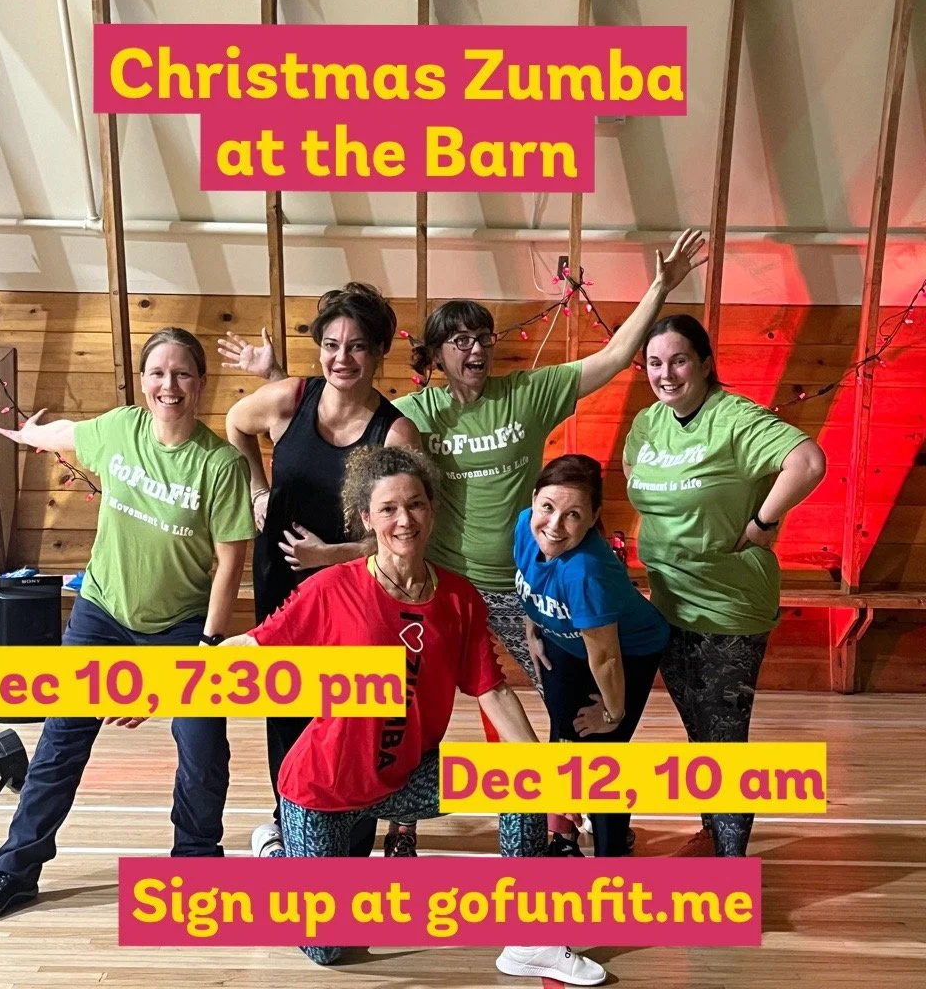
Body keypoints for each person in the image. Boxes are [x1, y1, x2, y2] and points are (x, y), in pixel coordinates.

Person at [225, 231, 708, 855]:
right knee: (391, 701)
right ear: (435, 355)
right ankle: (391, 828)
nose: (474, 348)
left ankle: (565, 825)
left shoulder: (525, 396)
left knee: (559, 703)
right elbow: (340, 398)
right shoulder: (416, 413)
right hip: (434, 585)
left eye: (482, 337)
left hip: (518, 588)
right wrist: (274, 390)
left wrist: (660, 286)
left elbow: (615, 357)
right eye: (459, 340)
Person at [227, 445, 606, 986]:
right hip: (326, 787)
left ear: (432, 509)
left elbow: (492, 692)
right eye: (388, 509)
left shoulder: (459, 599)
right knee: (329, 949)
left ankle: (530, 939)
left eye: (415, 505)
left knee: (518, 782)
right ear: (365, 518)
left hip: (408, 776)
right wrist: (159, 686)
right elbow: (254, 646)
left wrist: (543, 769)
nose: (404, 520)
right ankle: (275, 853)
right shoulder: (332, 589)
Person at [0, 327, 254, 921]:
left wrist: (203, 650)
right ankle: (14, 870)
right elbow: (67, 434)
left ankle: (196, 863)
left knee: (202, 744)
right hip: (102, 615)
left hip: (182, 627)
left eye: (181, 374)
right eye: (157, 373)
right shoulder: (120, 429)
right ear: (142, 380)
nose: (168, 385)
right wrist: (30, 434)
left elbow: (230, 563)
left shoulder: (218, 464)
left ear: (201, 383)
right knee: (61, 743)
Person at [221, 283, 421, 858]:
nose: (342, 358)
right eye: (332, 344)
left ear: (378, 351)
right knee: (286, 710)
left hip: (355, 593)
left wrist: (330, 555)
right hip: (282, 582)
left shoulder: (396, 433)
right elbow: (236, 425)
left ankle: (349, 841)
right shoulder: (290, 398)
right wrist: (257, 490)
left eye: (357, 347)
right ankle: (294, 830)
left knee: (349, 719)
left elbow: (403, 533)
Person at [624, 314, 826, 857]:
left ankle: (728, 866)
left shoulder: (734, 418)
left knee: (724, 741)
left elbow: (807, 461)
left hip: (727, 606)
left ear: (707, 363)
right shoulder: (647, 425)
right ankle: (715, 831)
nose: (666, 374)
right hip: (669, 602)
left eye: (680, 360)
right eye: (655, 363)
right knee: (701, 731)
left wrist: (762, 524)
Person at [514, 455, 669, 857]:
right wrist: (534, 624)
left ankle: (611, 857)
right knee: (563, 737)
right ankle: (564, 842)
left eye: (573, 515)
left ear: (592, 518)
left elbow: (606, 659)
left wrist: (612, 714)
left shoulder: (585, 572)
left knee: (602, 759)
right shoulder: (523, 526)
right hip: (564, 640)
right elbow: (527, 578)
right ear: (534, 500)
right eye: (547, 507)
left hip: (627, 651)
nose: (553, 524)